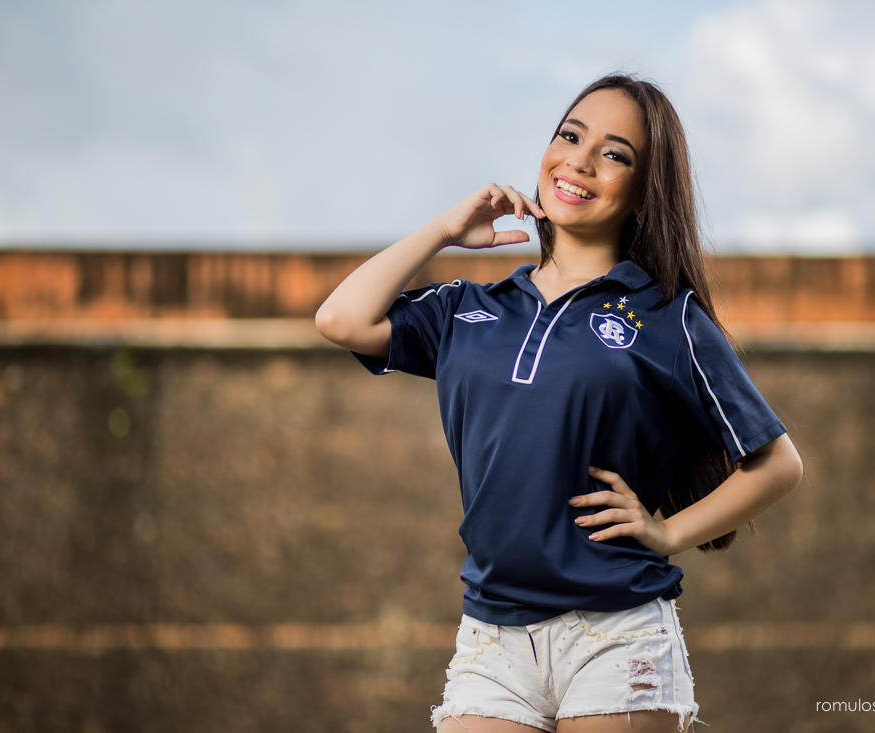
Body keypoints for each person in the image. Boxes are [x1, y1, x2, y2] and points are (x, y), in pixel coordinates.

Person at [315, 74, 803, 733]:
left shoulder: (668, 317)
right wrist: (444, 229)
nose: (580, 160)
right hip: (491, 638)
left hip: (617, 632)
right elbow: (341, 319)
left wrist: (668, 534)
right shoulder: (469, 308)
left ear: (644, 191)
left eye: (614, 153)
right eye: (570, 137)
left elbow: (778, 463)